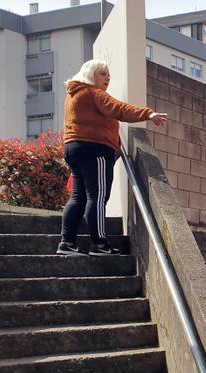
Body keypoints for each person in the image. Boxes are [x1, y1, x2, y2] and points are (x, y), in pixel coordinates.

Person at [57, 59, 168, 256]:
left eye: (108, 75)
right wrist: (147, 114)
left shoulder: (74, 94)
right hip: (95, 150)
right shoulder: (93, 93)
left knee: (78, 197)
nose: (107, 78)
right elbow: (118, 108)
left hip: (73, 148)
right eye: (103, 73)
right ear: (91, 74)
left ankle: (67, 243)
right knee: (98, 197)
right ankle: (99, 244)